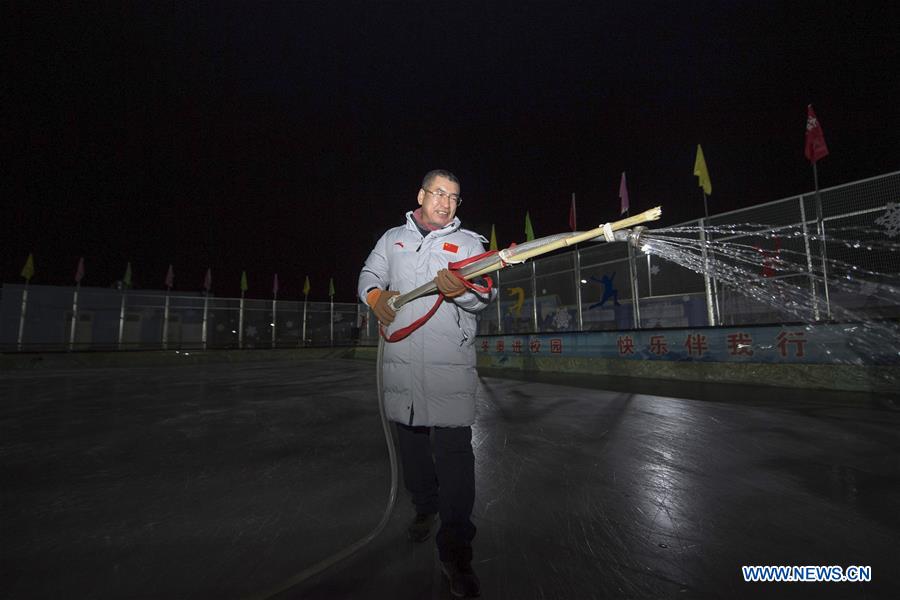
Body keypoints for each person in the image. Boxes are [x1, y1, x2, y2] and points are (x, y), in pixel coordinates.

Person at [358, 169, 496, 598]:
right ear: (421, 194)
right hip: (400, 365)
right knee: (412, 447)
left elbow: (484, 294)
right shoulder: (392, 239)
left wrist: (462, 291)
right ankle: (424, 507)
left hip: (448, 366)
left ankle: (457, 550)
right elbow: (369, 275)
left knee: (455, 457)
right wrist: (375, 297)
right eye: (439, 193)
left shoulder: (471, 244)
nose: (446, 202)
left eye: (454, 197)